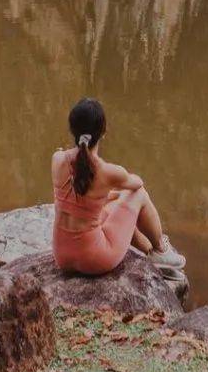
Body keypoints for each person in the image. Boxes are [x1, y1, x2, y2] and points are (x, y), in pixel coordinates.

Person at [51, 97, 185, 276]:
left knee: (115, 204)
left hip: (62, 256)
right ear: (103, 131)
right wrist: (119, 184)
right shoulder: (107, 171)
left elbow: (84, 199)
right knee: (138, 194)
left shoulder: (58, 159)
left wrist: (114, 193)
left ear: (72, 129)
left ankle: (149, 252)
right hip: (94, 260)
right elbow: (137, 183)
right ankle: (161, 249)